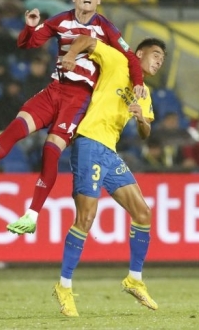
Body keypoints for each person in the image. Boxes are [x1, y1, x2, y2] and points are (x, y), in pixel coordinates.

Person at [0, 0, 146, 235]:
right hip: (54, 90)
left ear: (99, 0)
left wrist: (138, 83)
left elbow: (132, 58)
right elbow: (27, 44)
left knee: (50, 149)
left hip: (79, 98)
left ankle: (32, 214)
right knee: (17, 126)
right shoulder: (60, 20)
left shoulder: (106, 28)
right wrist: (30, 27)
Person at [53, 35, 165, 317]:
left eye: (162, 59)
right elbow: (86, 40)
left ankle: (134, 279)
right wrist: (70, 55)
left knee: (143, 212)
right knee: (86, 218)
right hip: (89, 141)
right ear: (139, 53)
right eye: (155, 55)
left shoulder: (144, 93)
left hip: (109, 152)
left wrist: (141, 119)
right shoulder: (117, 60)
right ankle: (63, 286)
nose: (159, 61)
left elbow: (145, 133)